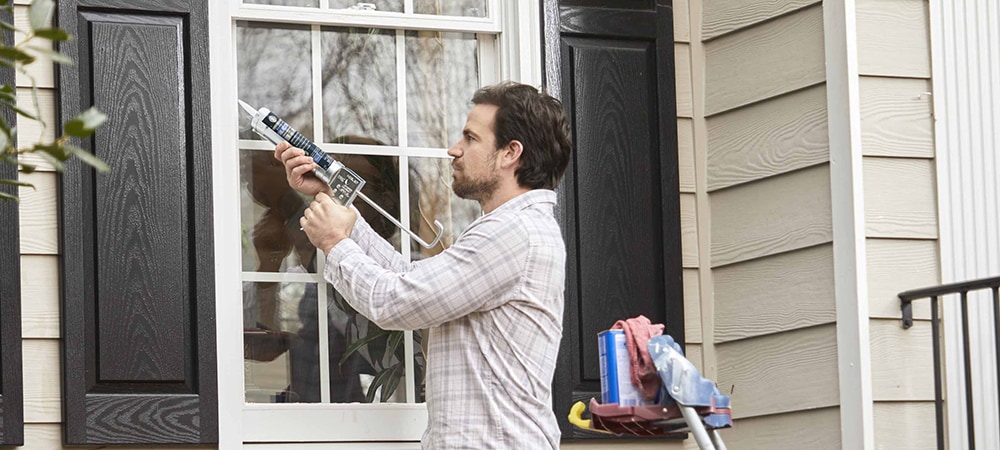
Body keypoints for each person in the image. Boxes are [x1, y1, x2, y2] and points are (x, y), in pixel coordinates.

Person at [274, 81, 572, 448]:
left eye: (470, 138)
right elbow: (410, 279)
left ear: (510, 153)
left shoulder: (514, 233)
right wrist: (331, 197)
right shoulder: (510, 230)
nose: (454, 149)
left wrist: (335, 243)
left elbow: (394, 301)